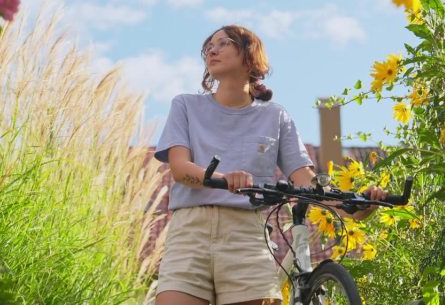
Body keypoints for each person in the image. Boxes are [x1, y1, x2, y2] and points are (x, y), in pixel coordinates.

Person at [153, 25, 387, 305]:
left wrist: (354, 207)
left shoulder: (275, 117)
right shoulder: (185, 106)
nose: (212, 50)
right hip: (190, 234)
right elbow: (180, 169)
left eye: (223, 43)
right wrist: (227, 178)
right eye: (208, 47)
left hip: (245, 237)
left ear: (250, 56)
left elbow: (305, 179)